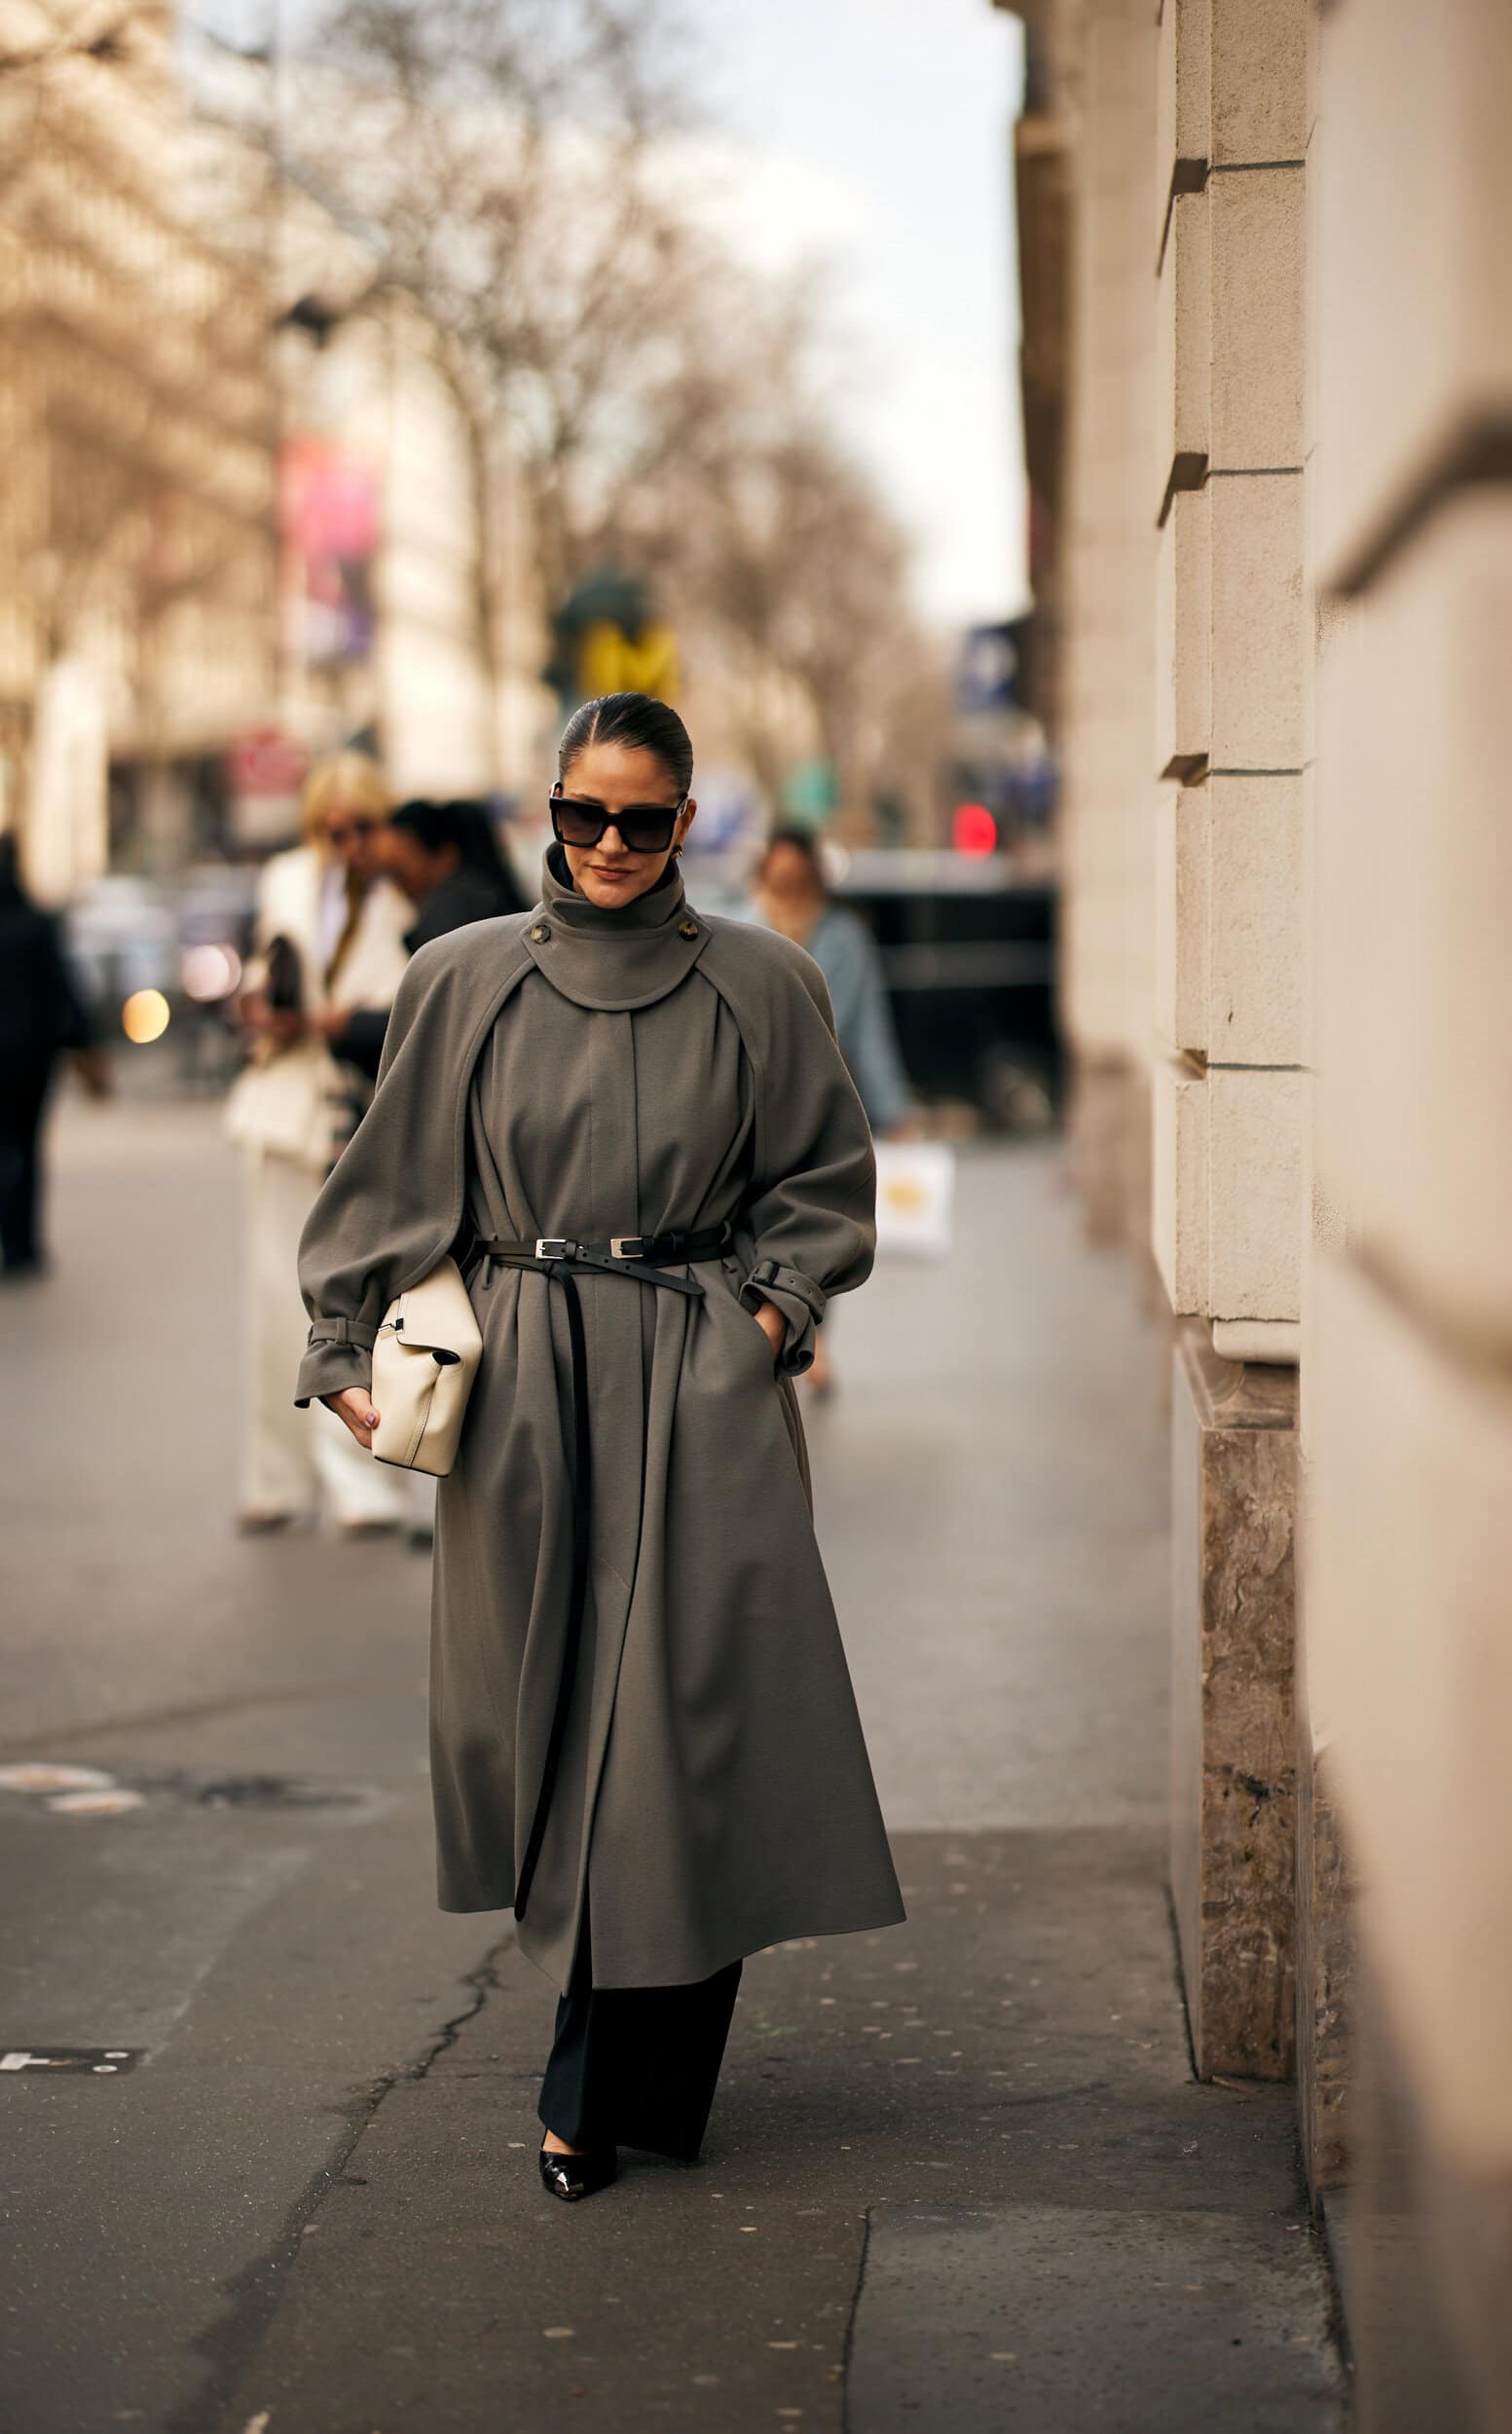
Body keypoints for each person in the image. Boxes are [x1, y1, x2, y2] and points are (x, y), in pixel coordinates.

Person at [292, 691, 904, 2200]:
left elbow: (824, 1183)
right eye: (583, 814)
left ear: (687, 823)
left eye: (642, 818)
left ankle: (593, 2086)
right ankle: (626, 2072)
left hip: (702, 1384)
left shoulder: (764, 983)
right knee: (556, 1730)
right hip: (524, 1390)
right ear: (545, 809)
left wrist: (761, 1326)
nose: (611, 844)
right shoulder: (460, 977)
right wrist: (336, 1351)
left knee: (682, 1725)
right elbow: (385, 1184)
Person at [225, 750, 415, 1536]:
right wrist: (258, 1007)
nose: (344, 844)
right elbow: (264, 970)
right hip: (282, 1109)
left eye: (360, 827)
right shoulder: (286, 883)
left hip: (363, 1113)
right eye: (328, 828)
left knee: (360, 1308)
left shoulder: (406, 898)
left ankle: (366, 1485)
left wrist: (343, 1022)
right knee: (275, 1302)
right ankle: (276, 1478)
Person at [754, 825, 916, 1392]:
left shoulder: (845, 937)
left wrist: (896, 1108)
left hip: (821, 1104)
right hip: (750, 1108)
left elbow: (869, 1028)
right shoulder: (736, 926)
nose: (788, 891)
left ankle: (812, 1336)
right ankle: (769, 1324)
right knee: (752, 1222)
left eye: (799, 881)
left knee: (818, 1221)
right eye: (778, 880)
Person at [331, 797, 530, 1083]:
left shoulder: (453, 914)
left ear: (443, 856)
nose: (397, 887)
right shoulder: (478, 902)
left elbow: (437, 1021)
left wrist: (351, 1027)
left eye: (401, 870)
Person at [0, 834, 109, 1278]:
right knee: (27, 1146)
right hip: (30, 1059)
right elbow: (63, 987)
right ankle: (22, 1243)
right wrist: (84, 1043)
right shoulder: (37, 923)